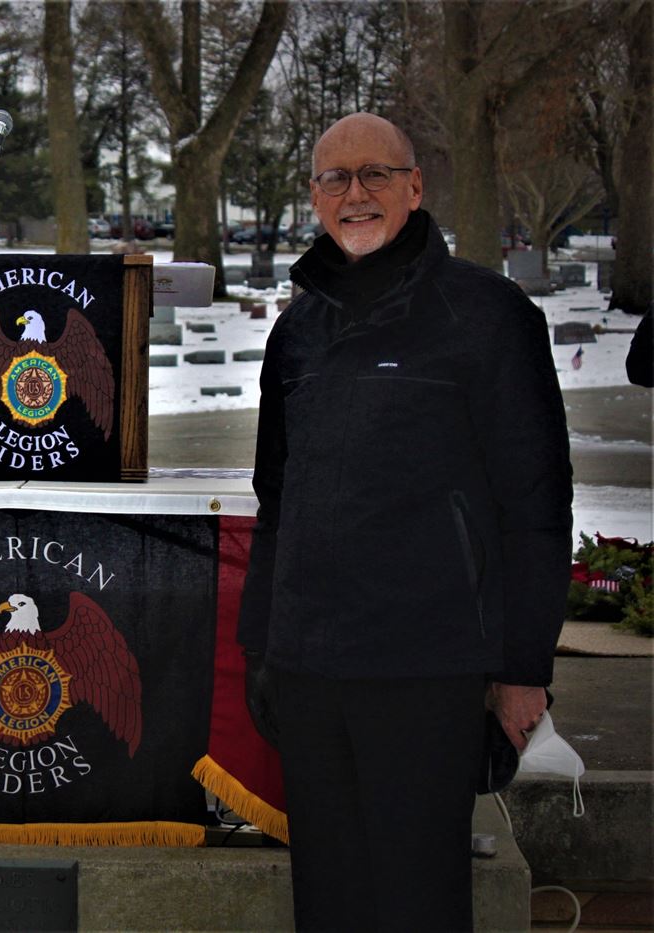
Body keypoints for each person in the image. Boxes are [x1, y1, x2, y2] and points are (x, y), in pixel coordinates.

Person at [237, 113, 573, 931]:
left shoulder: (489, 318)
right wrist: (263, 645)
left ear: (415, 187)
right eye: (334, 180)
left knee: (418, 900)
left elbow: (536, 503)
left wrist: (523, 668)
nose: (355, 195)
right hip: (311, 668)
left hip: (428, 668)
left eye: (375, 175)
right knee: (330, 898)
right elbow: (276, 496)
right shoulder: (298, 331)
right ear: (314, 198)